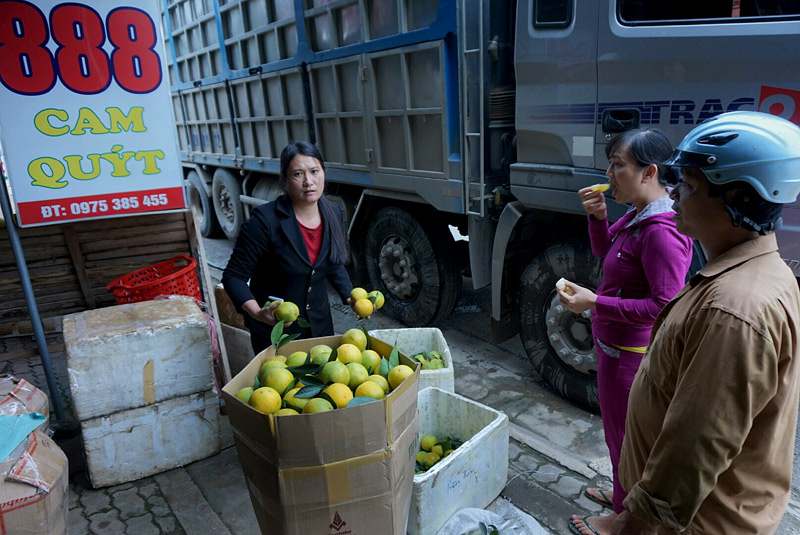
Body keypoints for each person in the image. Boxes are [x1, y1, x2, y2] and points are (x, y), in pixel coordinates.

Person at [610, 111, 800, 534]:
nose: (675, 196)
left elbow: (691, 451)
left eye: (691, 186)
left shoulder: (733, 312)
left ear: (737, 202)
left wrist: (633, 526)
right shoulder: (754, 273)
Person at [559, 130, 694, 535]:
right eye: (610, 164)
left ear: (649, 171)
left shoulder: (661, 231)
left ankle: (622, 522)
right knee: (619, 436)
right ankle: (622, 495)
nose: (609, 173)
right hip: (611, 347)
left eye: (618, 164)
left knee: (630, 441)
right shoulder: (638, 213)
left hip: (630, 359)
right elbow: (607, 254)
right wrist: (598, 219)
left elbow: (663, 306)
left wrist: (596, 303)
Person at [222, 141, 352, 354]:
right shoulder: (264, 221)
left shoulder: (334, 212)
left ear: (323, 173)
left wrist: (351, 296)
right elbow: (233, 277)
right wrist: (257, 313)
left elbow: (333, 261)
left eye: (314, 171)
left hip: (320, 328)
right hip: (277, 332)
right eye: (298, 174)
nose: (308, 181)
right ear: (284, 180)